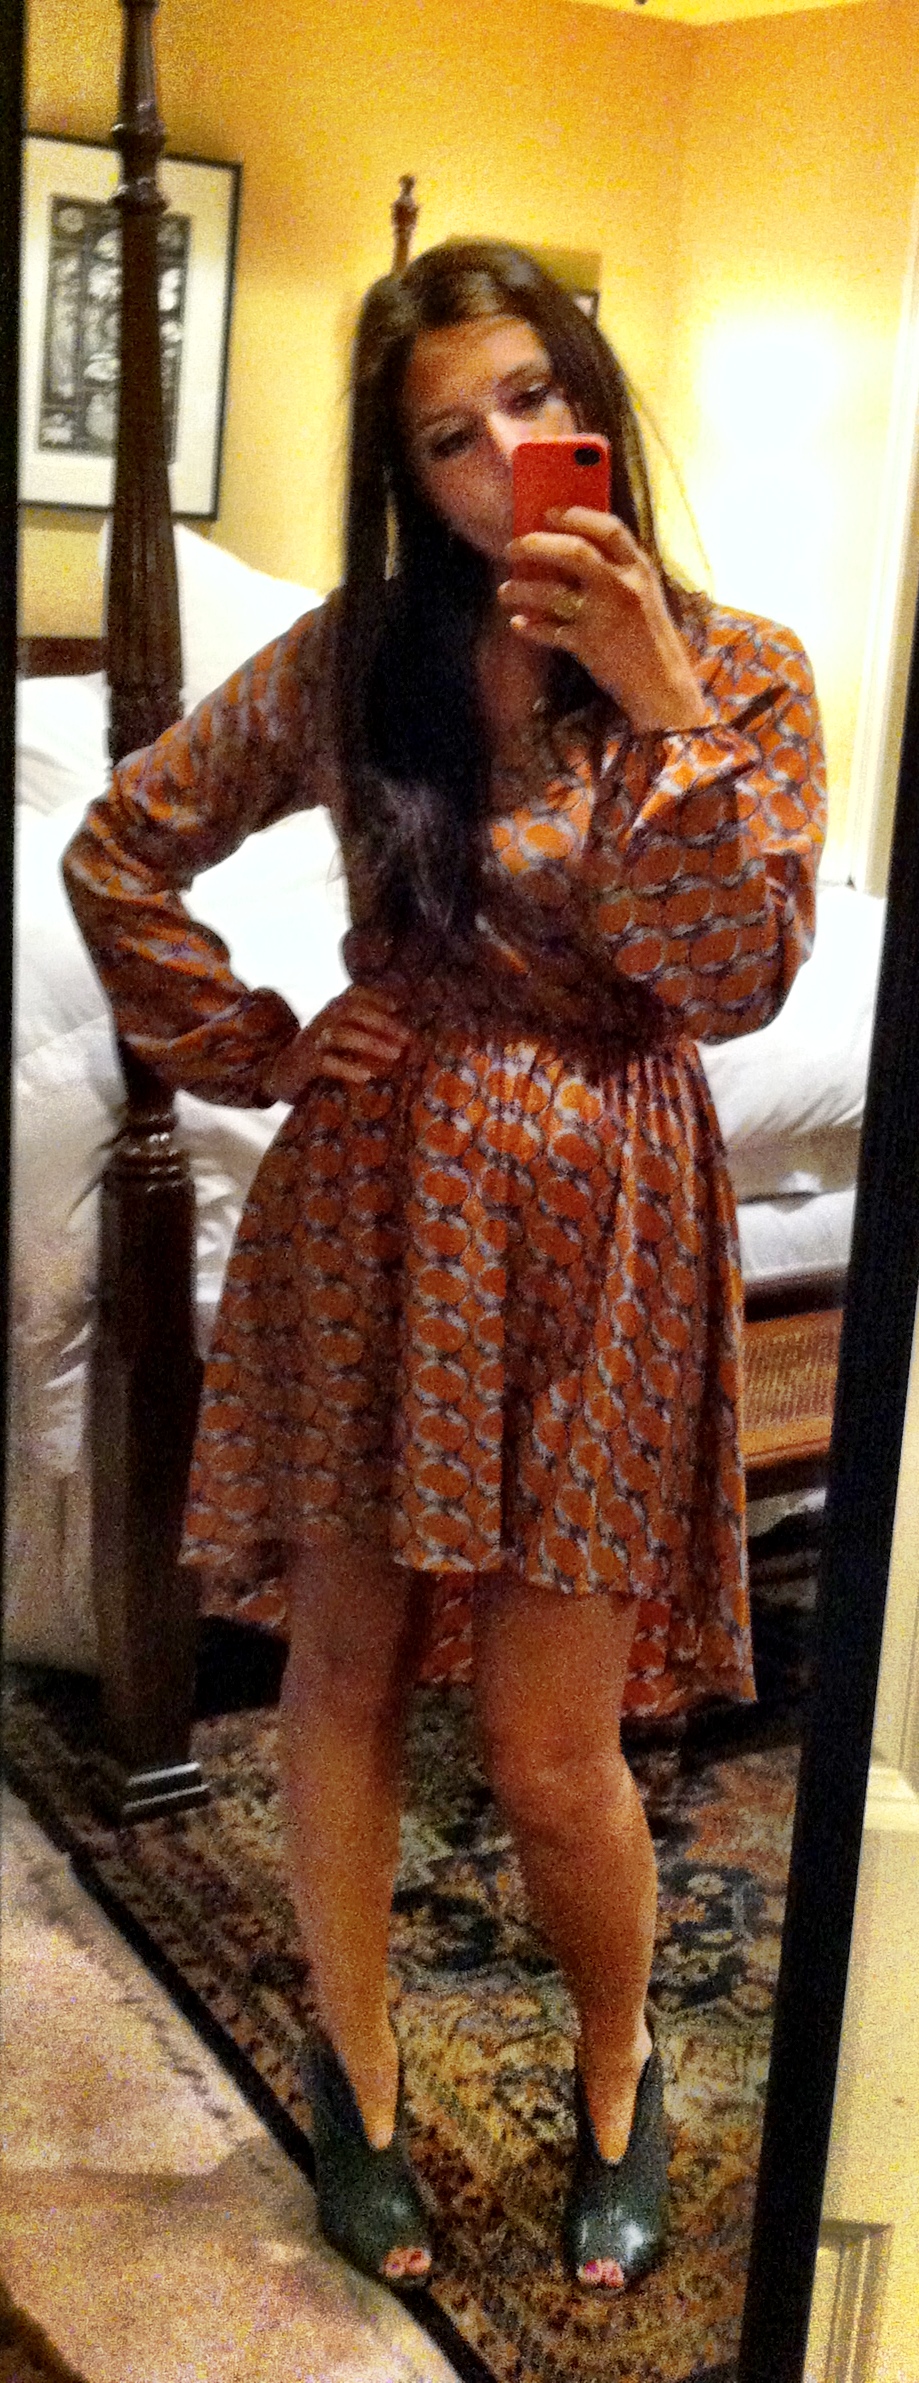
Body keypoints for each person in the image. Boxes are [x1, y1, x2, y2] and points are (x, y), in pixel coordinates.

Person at [63, 240, 826, 2295]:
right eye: (444, 436)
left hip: (606, 1236)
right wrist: (252, 1043)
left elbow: (740, 979)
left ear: (592, 401)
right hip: (376, 1211)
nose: (499, 458)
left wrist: (660, 702)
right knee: (339, 1672)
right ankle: (360, 2067)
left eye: (527, 401)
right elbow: (121, 847)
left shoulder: (743, 669)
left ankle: (618, 2069)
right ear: (404, 477)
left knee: (552, 1748)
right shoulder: (355, 661)